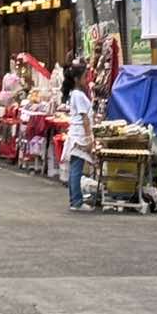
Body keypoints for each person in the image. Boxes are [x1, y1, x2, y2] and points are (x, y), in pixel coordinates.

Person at [62, 59, 95, 212]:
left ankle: (75, 199)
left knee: (75, 167)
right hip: (79, 135)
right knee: (77, 168)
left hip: (76, 133)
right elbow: (85, 119)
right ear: (77, 79)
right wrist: (89, 139)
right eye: (84, 77)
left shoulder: (75, 94)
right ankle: (76, 201)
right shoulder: (78, 95)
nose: (86, 80)